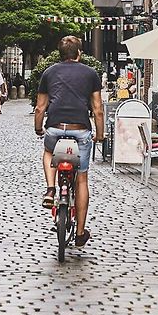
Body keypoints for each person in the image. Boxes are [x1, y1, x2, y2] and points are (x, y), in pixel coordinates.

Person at [34, 36, 105, 247]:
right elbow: (98, 110)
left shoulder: (49, 72)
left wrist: (39, 128)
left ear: (60, 54)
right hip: (80, 130)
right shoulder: (90, 74)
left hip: (55, 128)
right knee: (81, 179)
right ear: (79, 54)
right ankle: (81, 232)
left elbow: (40, 108)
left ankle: (50, 188)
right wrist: (99, 134)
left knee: (48, 152)